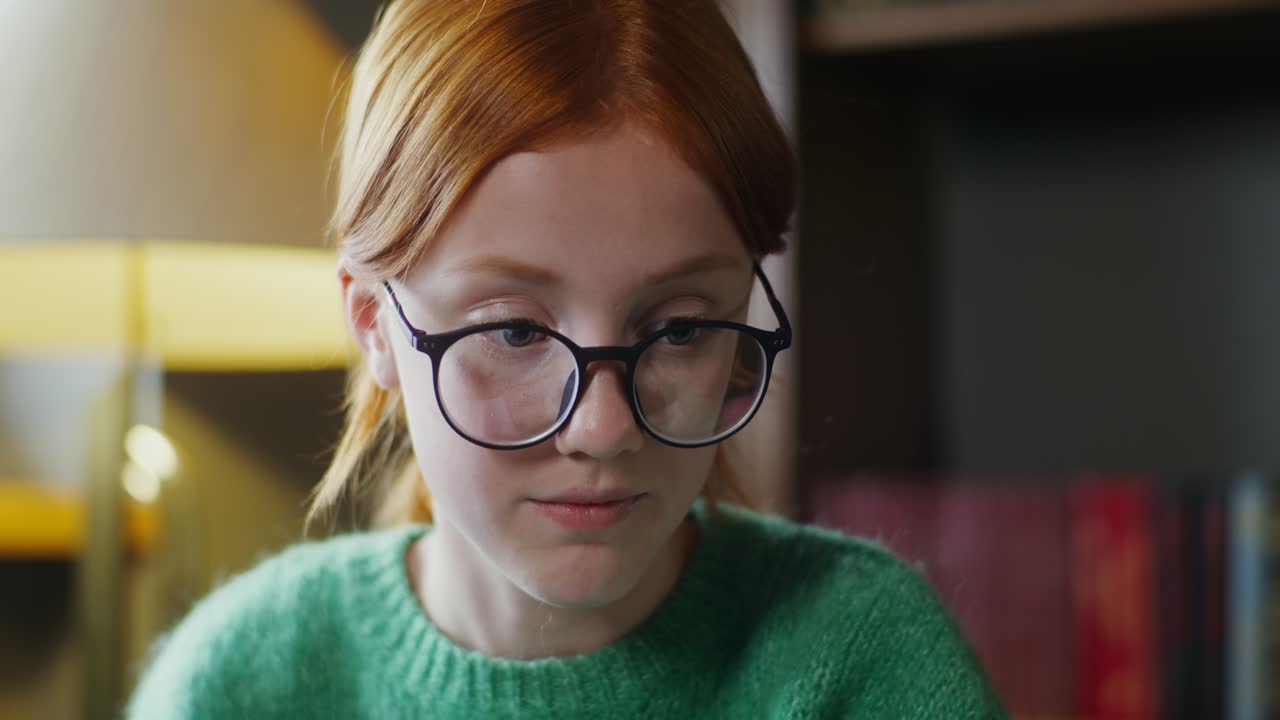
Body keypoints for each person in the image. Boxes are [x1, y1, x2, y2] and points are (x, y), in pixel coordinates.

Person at [126, 1, 1005, 717]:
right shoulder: (238, 683)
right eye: (513, 332)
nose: (604, 427)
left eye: (682, 329)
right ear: (375, 328)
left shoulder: (864, 663)